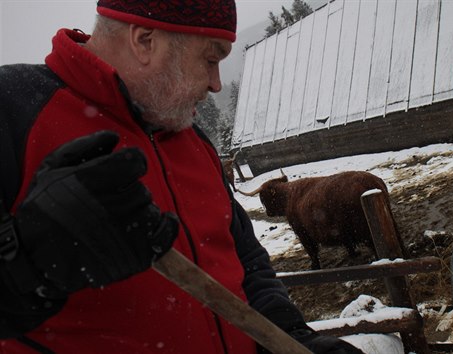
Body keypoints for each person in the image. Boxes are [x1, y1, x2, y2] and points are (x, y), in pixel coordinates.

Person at [0, 1, 364, 353]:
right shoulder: (13, 111)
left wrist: (289, 335)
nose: (216, 83)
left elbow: (245, 260)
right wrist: (28, 266)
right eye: (210, 59)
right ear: (145, 41)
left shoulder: (191, 137)